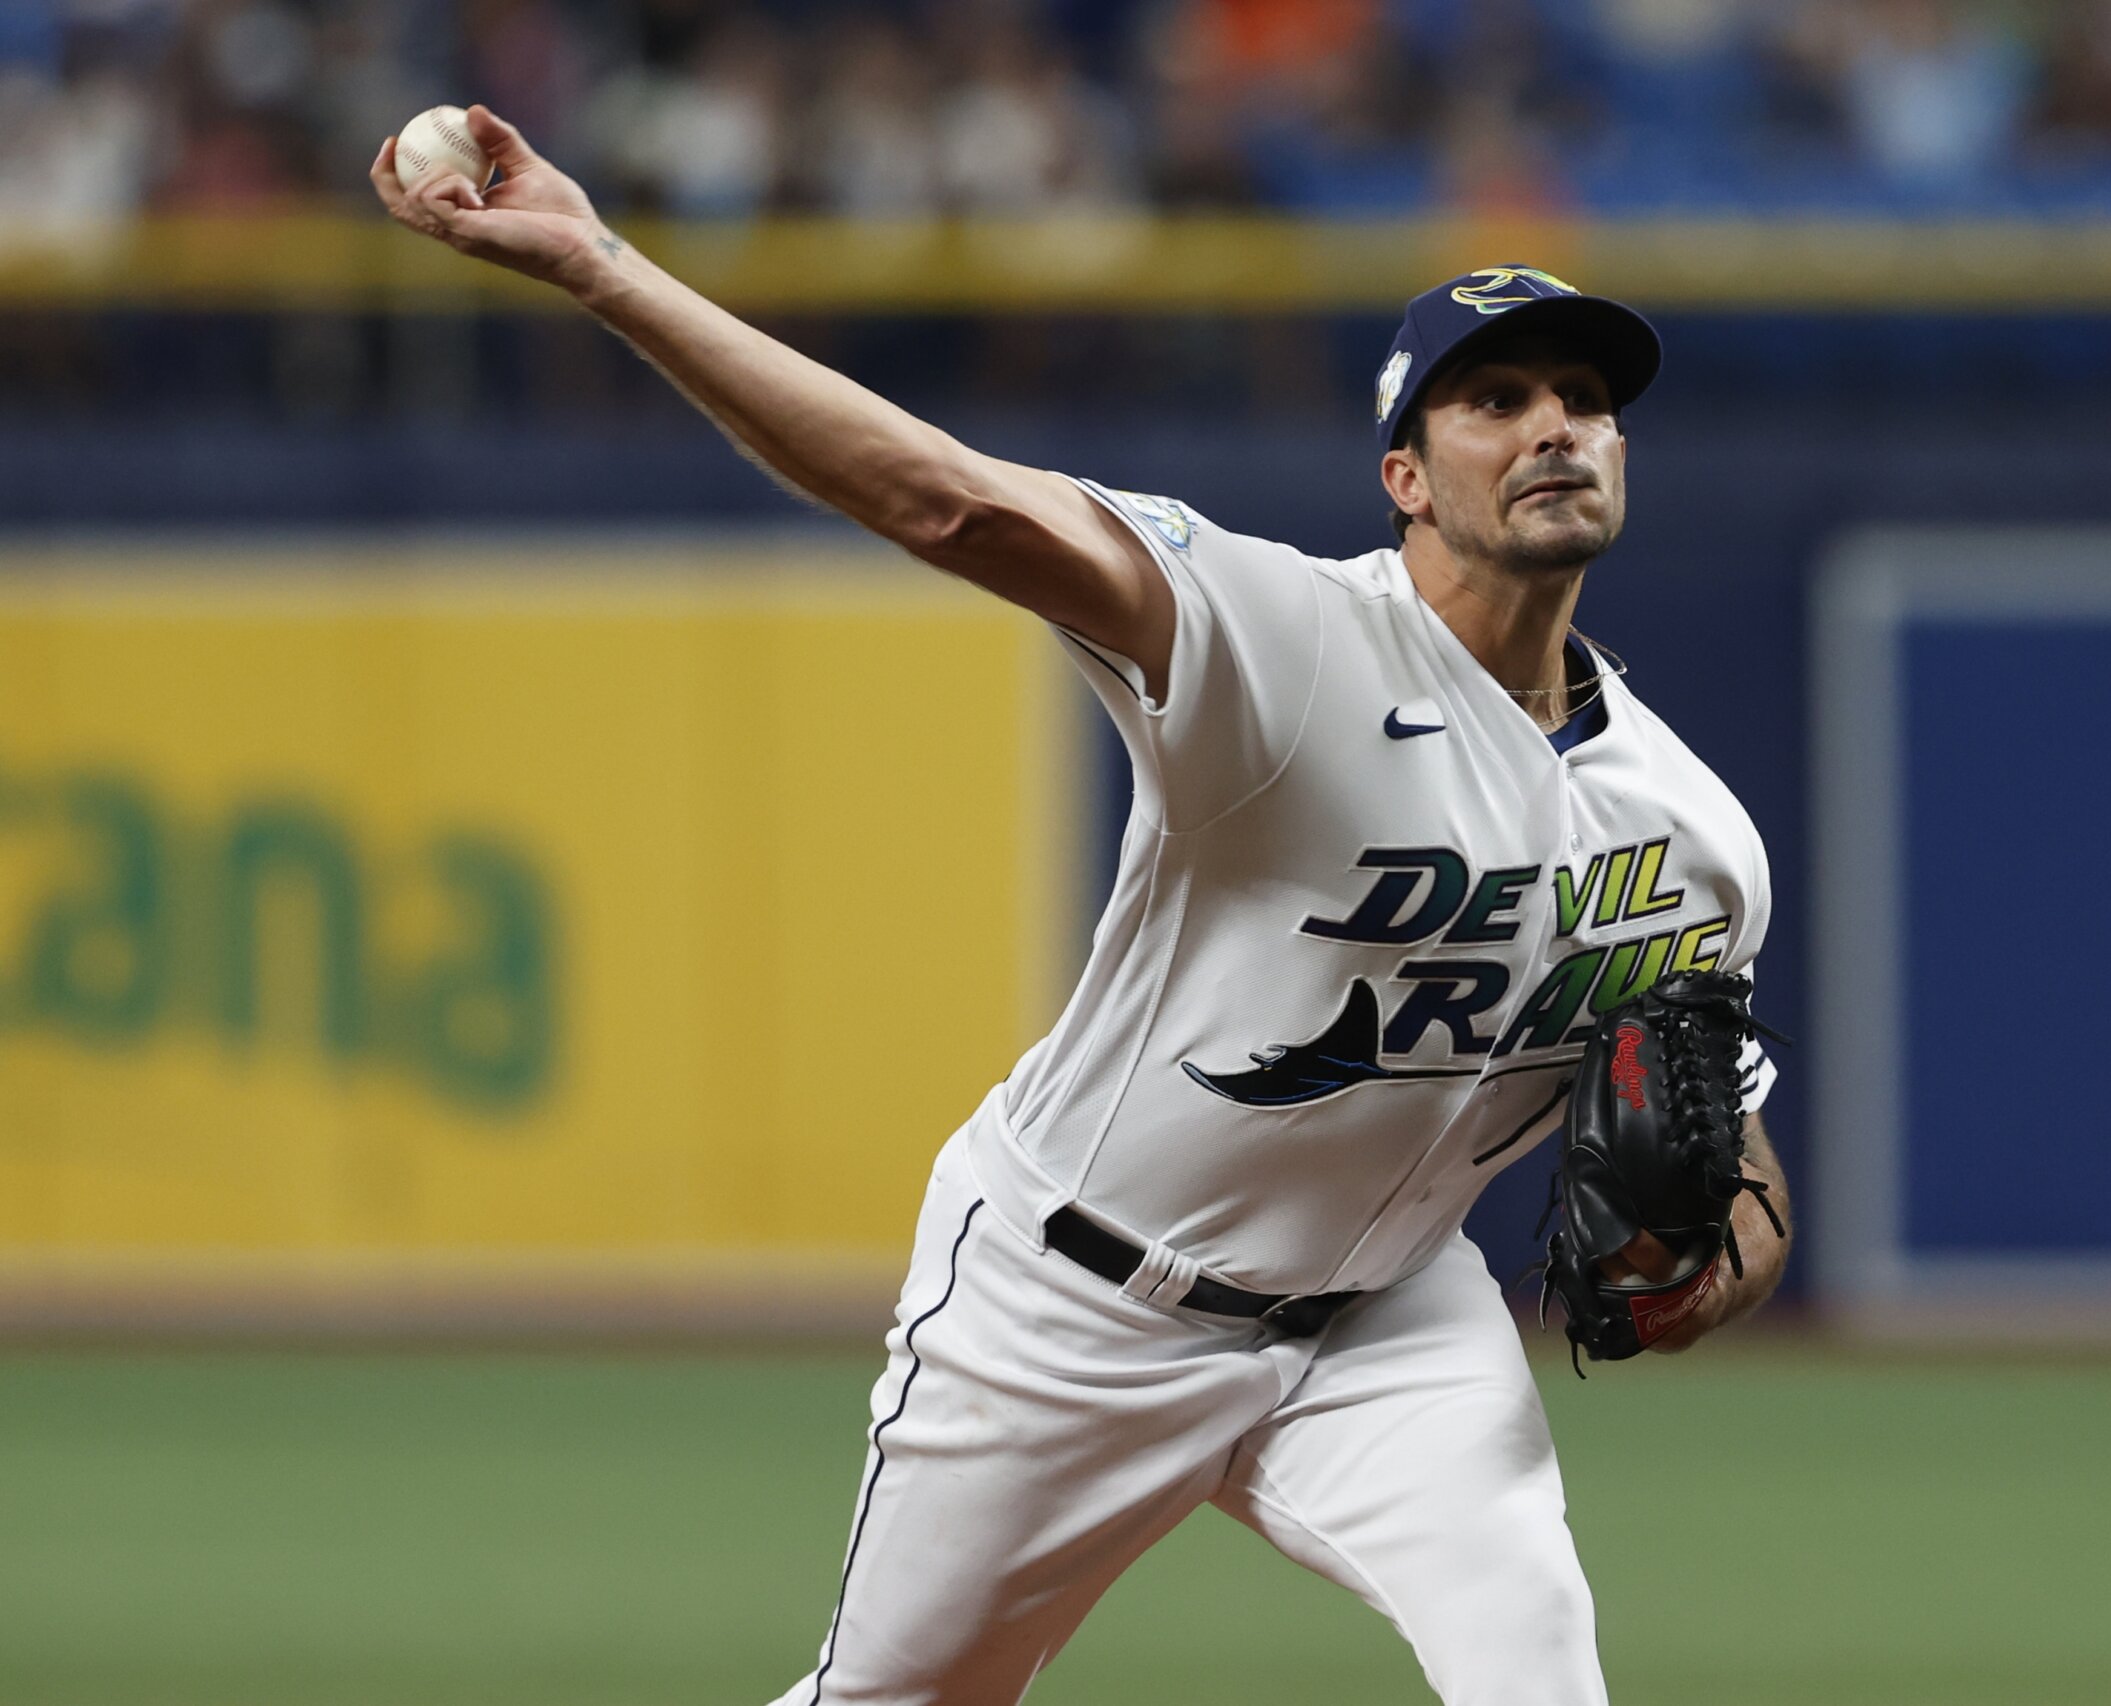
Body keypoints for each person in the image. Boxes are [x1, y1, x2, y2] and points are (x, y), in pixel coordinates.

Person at [374, 107, 1791, 1706]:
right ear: (1403, 472)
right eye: (1498, 399)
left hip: (1387, 1325)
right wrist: (603, 267)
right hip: (1076, 1297)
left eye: (1588, 402)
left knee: (1541, 1673)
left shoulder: (1692, 834)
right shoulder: (1287, 641)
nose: (1556, 428)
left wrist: (1717, 1262)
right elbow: (949, 504)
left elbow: (1733, 1149)